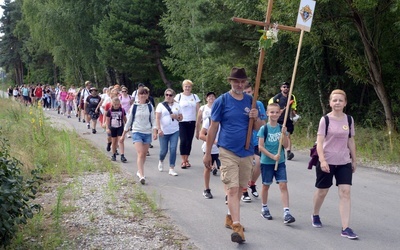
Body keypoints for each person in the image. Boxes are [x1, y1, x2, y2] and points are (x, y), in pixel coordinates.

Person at [203, 67, 263, 244]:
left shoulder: (251, 101)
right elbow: (213, 127)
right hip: (227, 150)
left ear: (246, 83)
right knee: (233, 188)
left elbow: (259, 127)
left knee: (240, 188)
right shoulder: (222, 100)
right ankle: (237, 227)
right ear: (230, 82)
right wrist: (208, 153)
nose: (239, 84)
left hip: (247, 151)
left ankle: (230, 217)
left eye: (242, 81)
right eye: (236, 81)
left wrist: (256, 116)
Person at [312, 89, 358, 239]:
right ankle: (315, 214)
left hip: (344, 161)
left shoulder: (349, 120)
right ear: (330, 103)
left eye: (340, 100)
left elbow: (351, 140)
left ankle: (346, 228)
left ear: (345, 103)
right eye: (334, 100)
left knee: (345, 192)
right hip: (327, 161)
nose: (337, 103)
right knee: (322, 191)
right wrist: (323, 160)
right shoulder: (325, 120)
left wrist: (354, 160)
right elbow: (319, 142)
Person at [257, 103, 296, 224]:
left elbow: (285, 145)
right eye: (272, 112)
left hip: (280, 162)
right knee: (266, 185)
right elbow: (260, 147)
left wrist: (284, 134)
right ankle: (264, 207)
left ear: (280, 113)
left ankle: (286, 212)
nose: (274, 114)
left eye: (276, 112)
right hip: (267, 162)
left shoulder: (281, 128)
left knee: (283, 185)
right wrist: (272, 156)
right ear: (268, 113)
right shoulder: (264, 128)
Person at [121, 87, 157, 185]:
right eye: (141, 94)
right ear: (138, 95)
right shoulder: (135, 106)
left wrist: (154, 131)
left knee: (144, 154)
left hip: (147, 132)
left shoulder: (150, 106)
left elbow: (153, 119)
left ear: (147, 95)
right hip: (136, 131)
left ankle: (139, 170)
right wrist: (124, 134)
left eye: (145, 94)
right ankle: (141, 175)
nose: (143, 95)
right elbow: (129, 120)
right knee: (140, 153)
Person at [241, 84, 267, 203]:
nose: (248, 94)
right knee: (247, 165)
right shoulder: (239, 104)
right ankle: (244, 190)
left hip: (257, 140)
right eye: (245, 92)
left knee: (259, 163)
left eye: (249, 92)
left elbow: (263, 123)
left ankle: (252, 184)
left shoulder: (259, 104)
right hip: (244, 140)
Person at [155, 88, 182, 176]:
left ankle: (171, 168)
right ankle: (161, 160)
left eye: (170, 95)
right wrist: (159, 129)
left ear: (173, 96)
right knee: (164, 150)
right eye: (166, 95)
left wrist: (176, 116)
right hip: (164, 131)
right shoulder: (161, 105)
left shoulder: (177, 105)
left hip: (174, 130)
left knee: (173, 149)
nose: (168, 97)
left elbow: (181, 118)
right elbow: (157, 118)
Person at [268, 82, 298, 160]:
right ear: (281, 88)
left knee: (287, 134)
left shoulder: (291, 97)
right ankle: (275, 151)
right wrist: (277, 111)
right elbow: (270, 107)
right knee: (278, 136)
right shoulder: (276, 98)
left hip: (287, 119)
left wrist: (295, 114)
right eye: (284, 87)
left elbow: (294, 106)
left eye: (287, 87)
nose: (286, 88)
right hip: (278, 119)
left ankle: (288, 152)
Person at [199, 92, 221, 199]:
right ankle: (206, 189)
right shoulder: (208, 120)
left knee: (225, 171)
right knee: (207, 168)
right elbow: (201, 135)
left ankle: (228, 194)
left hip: (222, 150)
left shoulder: (225, 121)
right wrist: (214, 141)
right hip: (210, 149)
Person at [175, 80, 200, 169]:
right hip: (182, 121)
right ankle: (183, 160)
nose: (187, 88)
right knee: (183, 140)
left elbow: (198, 110)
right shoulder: (179, 96)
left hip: (192, 121)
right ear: (183, 87)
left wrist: (199, 121)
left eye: (189, 86)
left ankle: (187, 159)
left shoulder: (195, 96)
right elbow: (175, 107)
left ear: (191, 87)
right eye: (186, 86)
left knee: (189, 141)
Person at [105, 97, 127, 162]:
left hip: (120, 127)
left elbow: (125, 119)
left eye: (118, 104)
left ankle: (122, 155)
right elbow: (107, 121)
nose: (117, 106)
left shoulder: (122, 110)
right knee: (114, 142)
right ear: (113, 104)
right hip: (113, 127)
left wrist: (127, 126)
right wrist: (107, 128)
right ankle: (113, 154)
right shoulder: (110, 111)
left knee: (121, 141)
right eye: (115, 105)